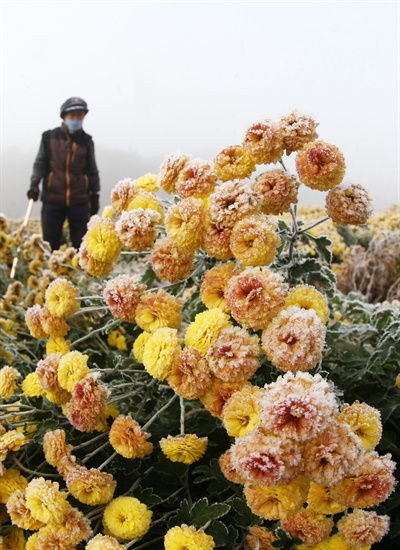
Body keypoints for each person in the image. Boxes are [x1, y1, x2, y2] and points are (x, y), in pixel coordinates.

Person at [27, 97, 100, 251]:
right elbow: (40, 163)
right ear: (64, 117)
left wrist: (95, 196)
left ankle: (81, 274)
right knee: (50, 243)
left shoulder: (86, 141)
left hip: (79, 200)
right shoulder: (49, 137)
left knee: (81, 246)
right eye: (72, 115)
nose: (75, 119)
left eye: (79, 115)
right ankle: (50, 274)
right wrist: (34, 183)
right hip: (53, 199)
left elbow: (92, 170)